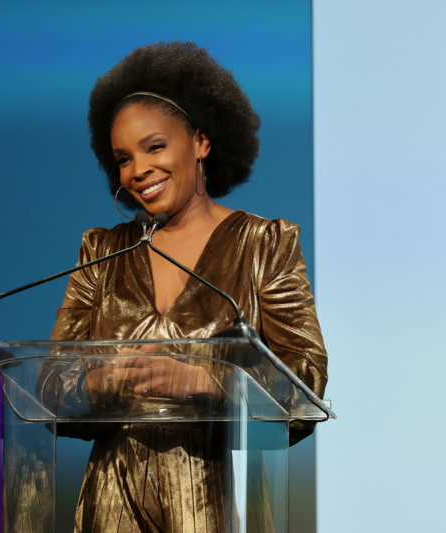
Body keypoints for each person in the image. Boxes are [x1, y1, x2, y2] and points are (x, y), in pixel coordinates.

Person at [46, 41, 327, 532]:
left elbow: (304, 387)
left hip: (204, 504)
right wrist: (113, 381)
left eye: (154, 146)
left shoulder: (265, 245)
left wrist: (199, 383)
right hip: (107, 508)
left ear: (202, 141)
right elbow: (50, 389)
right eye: (123, 158)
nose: (138, 171)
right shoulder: (102, 252)